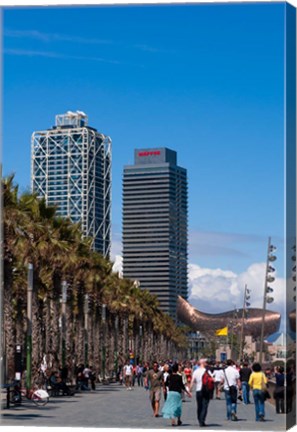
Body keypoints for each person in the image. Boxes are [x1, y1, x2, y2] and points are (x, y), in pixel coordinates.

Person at [190, 358, 211, 427]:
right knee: (205, 406)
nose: (207, 364)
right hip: (206, 390)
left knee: (199, 406)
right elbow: (212, 379)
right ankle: (202, 420)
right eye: (206, 363)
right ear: (203, 363)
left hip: (198, 390)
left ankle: (199, 419)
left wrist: (190, 389)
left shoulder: (196, 371)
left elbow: (192, 381)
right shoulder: (207, 371)